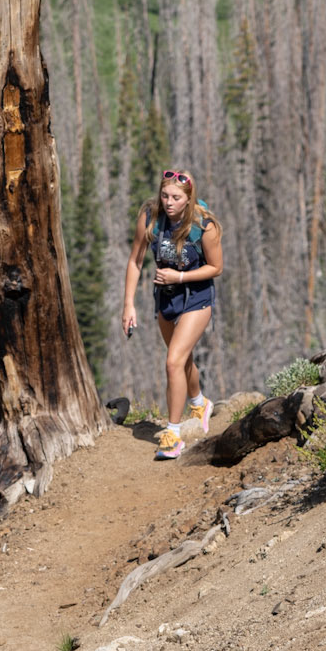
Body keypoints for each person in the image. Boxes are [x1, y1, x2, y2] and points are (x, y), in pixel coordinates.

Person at [121, 167, 223, 460]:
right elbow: (135, 261)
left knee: (173, 361)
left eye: (176, 198)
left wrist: (179, 277)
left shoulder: (204, 225)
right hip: (165, 298)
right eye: (165, 195)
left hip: (196, 298)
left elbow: (216, 267)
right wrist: (128, 304)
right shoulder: (151, 218)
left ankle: (173, 435)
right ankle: (200, 403)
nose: (168, 202)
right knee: (181, 360)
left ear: (189, 198)